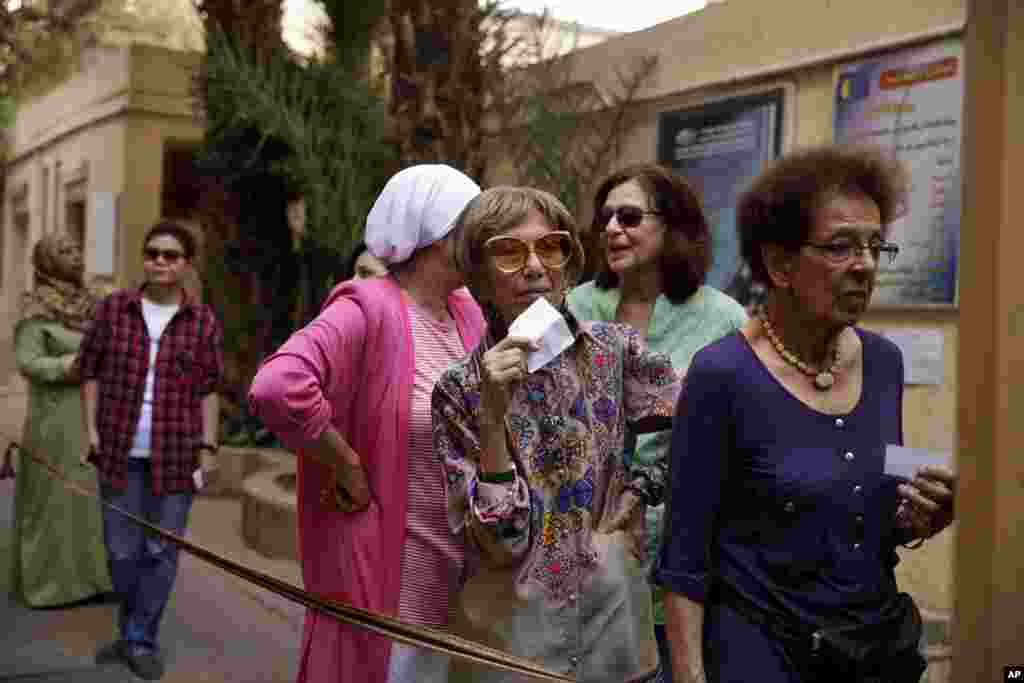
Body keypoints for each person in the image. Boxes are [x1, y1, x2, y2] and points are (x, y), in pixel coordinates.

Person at [653, 144, 956, 683]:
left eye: (874, 246)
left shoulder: (884, 362)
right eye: (840, 246)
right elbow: (684, 560)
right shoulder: (721, 374)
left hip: (870, 650)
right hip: (762, 654)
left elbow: (874, 511)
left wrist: (924, 517)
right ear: (779, 264)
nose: (864, 265)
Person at [432, 186, 682, 683]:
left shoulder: (614, 352)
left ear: (569, 264)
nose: (533, 266)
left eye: (551, 247)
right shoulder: (459, 389)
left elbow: (704, 421)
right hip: (516, 648)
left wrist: (640, 489)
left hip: (617, 639)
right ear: (478, 275)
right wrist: (492, 416)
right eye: (508, 251)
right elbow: (502, 540)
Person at [248, 164, 485, 683]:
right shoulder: (368, 304)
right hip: (386, 579)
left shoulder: (466, 311)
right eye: (474, 224)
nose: (486, 237)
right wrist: (346, 463)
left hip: (458, 583)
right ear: (434, 232)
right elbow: (277, 387)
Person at [566, 164, 747, 680]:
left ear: (673, 227)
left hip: (684, 552)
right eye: (605, 218)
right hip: (583, 548)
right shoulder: (575, 307)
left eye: (629, 216)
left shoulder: (724, 319)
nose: (612, 230)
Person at [79, 220, 223, 681]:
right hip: (118, 453)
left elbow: (209, 390)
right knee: (121, 552)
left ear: (185, 265)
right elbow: (90, 372)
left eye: (170, 255)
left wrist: (210, 447)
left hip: (177, 457)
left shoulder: (202, 322)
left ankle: (140, 638)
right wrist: (91, 433)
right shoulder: (114, 309)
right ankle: (128, 630)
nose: (159, 261)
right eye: (152, 253)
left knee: (161, 552)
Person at [10, 234, 113, 607]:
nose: (76, 256)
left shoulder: (94, 303)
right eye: (65, 251)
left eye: (76, 248)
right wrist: (70, 366)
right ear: (48, 262)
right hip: (56, 415)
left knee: (89, 500)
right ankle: (48, 586)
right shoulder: (34, 307)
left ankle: (90, 581)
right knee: (55, 498)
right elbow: (28, 361)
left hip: (99, 412)